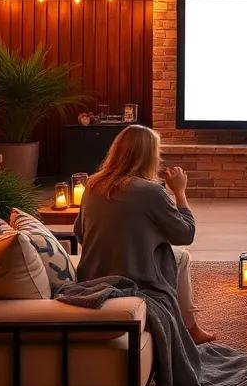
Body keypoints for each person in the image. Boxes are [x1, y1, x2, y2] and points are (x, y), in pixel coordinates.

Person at [73, 124, 215, 344]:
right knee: (182, 256)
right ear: (149, 156)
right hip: (133, 279)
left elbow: (80, 233)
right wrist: (179, 192)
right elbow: (185, 234)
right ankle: (191, 328)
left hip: (91, 276)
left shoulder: (92, 184)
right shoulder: (151, 192)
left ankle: (191, 327)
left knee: (176, 256)